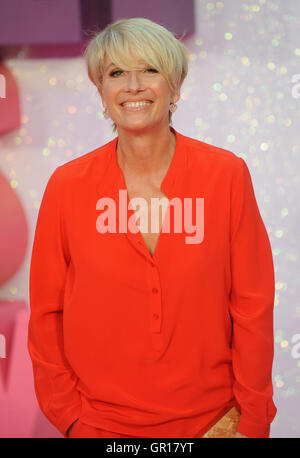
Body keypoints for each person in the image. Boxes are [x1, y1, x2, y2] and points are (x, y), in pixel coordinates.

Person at [27, 17, 277, 439]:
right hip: (100, 426)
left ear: (175, 87)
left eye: (150, 70)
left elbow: (252, 306)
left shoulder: (226, 175)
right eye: (116, 73)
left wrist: (252, 423)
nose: (133, 85)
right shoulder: (68, 185)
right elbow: (47, 314)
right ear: (102, 93)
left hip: (214, 424)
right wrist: (70, 418)